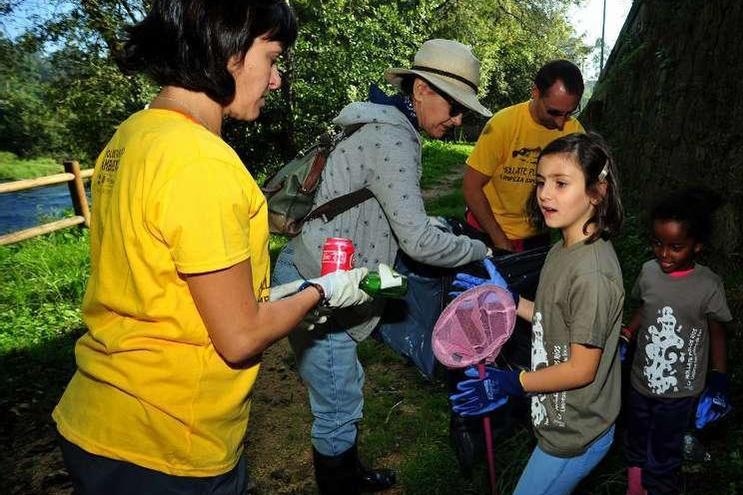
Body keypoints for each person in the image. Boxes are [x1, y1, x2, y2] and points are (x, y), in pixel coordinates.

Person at [51, 2, 373, 493]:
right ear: (229, 53)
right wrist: (323, 290)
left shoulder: (134, 135)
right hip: (167, 443)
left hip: (101, 418)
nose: (277, 79)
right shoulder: (201, 161)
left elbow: (172, 287)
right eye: (272, 57)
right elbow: (240, 335)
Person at [272, 38, 492, 494]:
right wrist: (480, 251)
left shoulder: (379, 123)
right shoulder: (393, 137)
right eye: (454, 107)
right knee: (337, 399)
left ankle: (349, 473)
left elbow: (384, 207)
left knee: (344, 381)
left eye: (463, 113)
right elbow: (418, 243)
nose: (456, 120)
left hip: (323, 269)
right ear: (421, 90)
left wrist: (435, 223)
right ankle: (340, 485)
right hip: (319, 279)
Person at [450, 132, 625, 494]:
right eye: (541, 182)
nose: (545, 194)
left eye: (561, 183)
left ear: (596, 192)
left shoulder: (592, 274)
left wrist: (513, 383)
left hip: (575, 434)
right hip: (557, 414)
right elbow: (554, 318)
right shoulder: (564, 247)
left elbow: (582, 368)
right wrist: (509, 302)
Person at [617, 188, 733, 495]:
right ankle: (635, 486)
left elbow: (717, 331)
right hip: (641, 380)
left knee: (666, 447)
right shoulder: (648, 272)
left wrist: (719, 377)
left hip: (681, 390)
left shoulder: (708, 285)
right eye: (657, 243)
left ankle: (658, 487)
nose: (664, 254)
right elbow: (645, 307)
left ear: (697, 246)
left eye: (675, 247)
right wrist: (628, 334)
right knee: (636, 435)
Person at [463, 59, 586, 253]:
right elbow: (471, 187)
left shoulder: (574, 132)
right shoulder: (502, 125)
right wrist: (500, 240)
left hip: (536, 237)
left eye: (569, 113)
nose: (561, 122)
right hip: (486, 230)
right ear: (535, 92)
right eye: (554, 112)